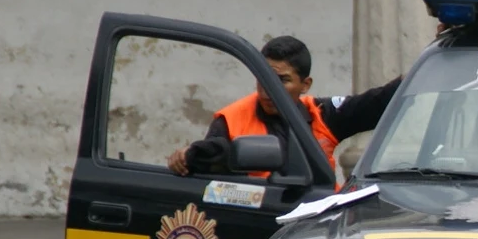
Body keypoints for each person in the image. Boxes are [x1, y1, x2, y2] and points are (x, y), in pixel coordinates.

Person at [167, 36, 399, 181]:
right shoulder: (231, 120)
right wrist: (187, 157)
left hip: (318, 221)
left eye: (283, 81)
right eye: (264, 78)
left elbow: (380, 102)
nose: (269, 90)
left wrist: (433, 51)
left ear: (305, 85)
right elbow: (210, 167)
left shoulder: (322, 114)